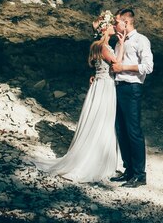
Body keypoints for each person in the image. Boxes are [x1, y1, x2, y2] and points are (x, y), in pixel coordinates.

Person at [32, 10, 125, 183]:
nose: (114, 27)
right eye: (111, 24)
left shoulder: (99, 46)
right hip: (104, 86)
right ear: (105, 29)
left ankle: (101, 157)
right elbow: (116, 64)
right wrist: (123, 45)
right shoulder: (103, 46)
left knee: (101, 120)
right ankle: (95, 161)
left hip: (102, 84)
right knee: (102, 120)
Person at [109, 8, 153, 188]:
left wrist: (123, 68)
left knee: (133, 131)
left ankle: (140, 175)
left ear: (126, 22)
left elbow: (148, 67)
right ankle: (128, 171)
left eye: (116, 22)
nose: (114, 25)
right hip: (117, 87)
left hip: (132, 88)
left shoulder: (141, 40)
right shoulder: (120, 41)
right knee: (121, 129)